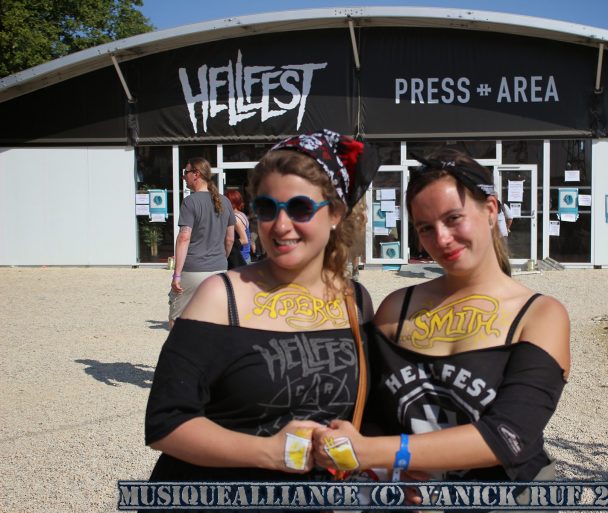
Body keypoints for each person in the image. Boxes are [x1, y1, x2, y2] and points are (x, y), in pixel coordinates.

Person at [312, 148, 570, 493]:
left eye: (453, 218)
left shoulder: (540, 316)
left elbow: (508, 436)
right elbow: (374, 412)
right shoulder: (396, 309)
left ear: (491, 210)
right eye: (426, 228)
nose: (442, 239)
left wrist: (383, 453)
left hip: (505, 499)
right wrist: (390, 471)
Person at [146, 129, 379, 485]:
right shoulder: (221, 296)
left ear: (335, 213)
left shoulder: (355, 300)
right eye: (268, 209)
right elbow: (165, 422)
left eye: (300, 208)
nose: (281, 226)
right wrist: (269, 452)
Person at [168, 158, 235, 330]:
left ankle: (180, 348)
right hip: (219, 270)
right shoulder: (225, 201)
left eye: (186, 173)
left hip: (194, 270)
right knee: (213, 321)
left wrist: (177, 274)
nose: (184, 177)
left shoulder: (190, 201)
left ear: (196, 174)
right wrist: (221, 258)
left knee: (178, 321)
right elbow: (230, 239)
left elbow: (184, 237)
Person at [224, 189, 254, 266]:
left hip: (240, 258)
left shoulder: (235, 217)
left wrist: (227, 244)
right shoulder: (241, 214)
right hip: (245, 256)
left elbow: (244, 240)